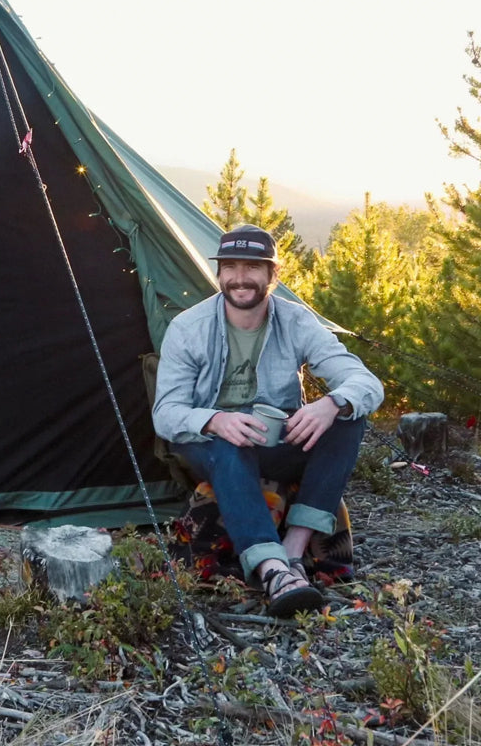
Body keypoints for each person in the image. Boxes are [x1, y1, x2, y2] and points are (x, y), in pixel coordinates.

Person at [152, 224, 383, 618]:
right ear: (219, 273)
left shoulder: (295, 321)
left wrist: (332, 403)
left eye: (253, 267)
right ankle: (272, 570)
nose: (240, 278)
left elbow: (365, 382)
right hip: (209, 443)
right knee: (230, 442)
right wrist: (215, 420)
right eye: (230, 267)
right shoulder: (188, 328)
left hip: (273, 440)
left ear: (272, 275)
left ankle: (294, 549)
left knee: (347, 418)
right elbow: (166, 413)